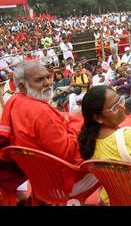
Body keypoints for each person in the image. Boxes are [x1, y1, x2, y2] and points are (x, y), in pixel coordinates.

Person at [0, 61, 96, 200]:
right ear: (22, 86)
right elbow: (67, 152)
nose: (48, 83)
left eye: (47, 77)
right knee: (111, 155)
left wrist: (66, 122)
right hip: (61, 182)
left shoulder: (14, 102)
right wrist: (76, 126)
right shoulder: (41, 112)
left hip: (39, 180)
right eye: (39, 80)